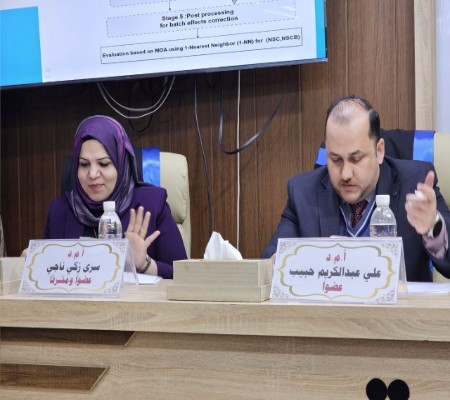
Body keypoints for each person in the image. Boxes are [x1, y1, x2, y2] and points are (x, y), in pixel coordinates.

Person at [262, 96, 450, 282]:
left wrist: (433, 226)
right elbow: (272, 257)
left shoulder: (415, 182)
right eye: (335, 160)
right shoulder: (303, 192)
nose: (345, 174)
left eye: (356, 159)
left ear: (379, 150)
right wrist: (278, 263)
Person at [43, 115, 187, 279]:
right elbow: (48, 276)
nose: (93, 174)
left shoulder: (152, 204)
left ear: (121, 164)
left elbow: (183, 275)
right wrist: (33, 264)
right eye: (84, 164)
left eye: (104, 164)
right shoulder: (59, 211)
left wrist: (144, 264)